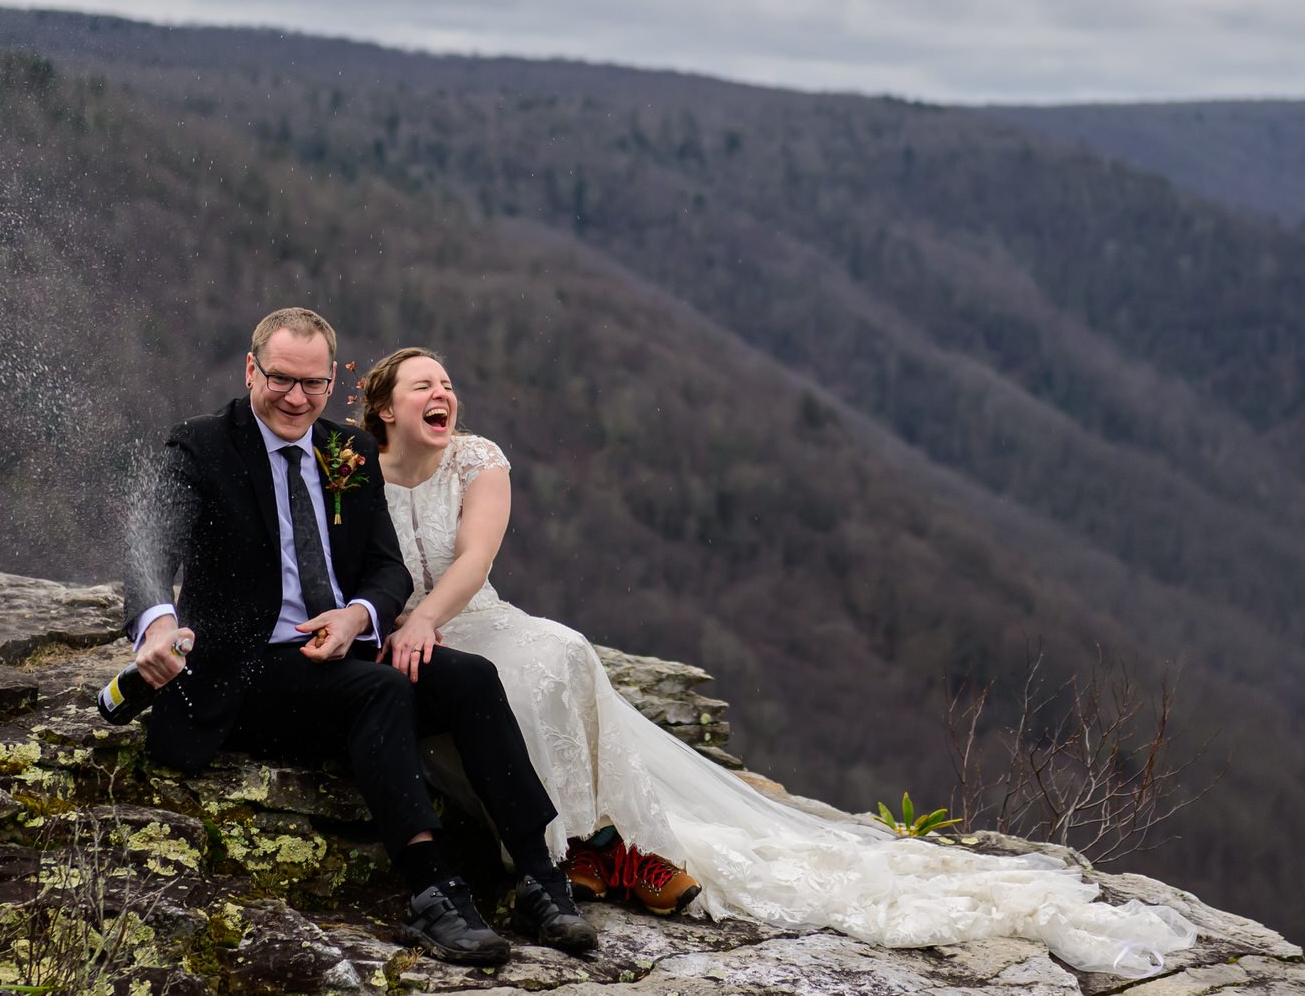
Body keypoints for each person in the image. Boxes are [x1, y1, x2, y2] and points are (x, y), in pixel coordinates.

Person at [358, 346, 1199, 979]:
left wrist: (430, 614)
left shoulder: (478, 458)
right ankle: (548, 853)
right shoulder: (352, 472)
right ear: (384, 409)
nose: (444, 393)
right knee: (479, 691)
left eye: (447, 382)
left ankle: (581, 846)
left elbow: (476, 554)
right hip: (403, 636)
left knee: (557, 654)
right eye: (423, 385)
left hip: (478, 617)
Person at [123, 309, 595, 965]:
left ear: (331, 379)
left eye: (312, 384)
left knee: (469, 677)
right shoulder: (200, 445)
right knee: (377, 690)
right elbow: (149, 542)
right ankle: (433, 890)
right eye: (281, 379)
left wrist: (358, 616)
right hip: (248, 667)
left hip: (339, 649)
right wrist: (159, 622)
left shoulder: (345, 450)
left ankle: (540, 880)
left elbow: (385, 566)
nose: (296, 397)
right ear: (250, 368)